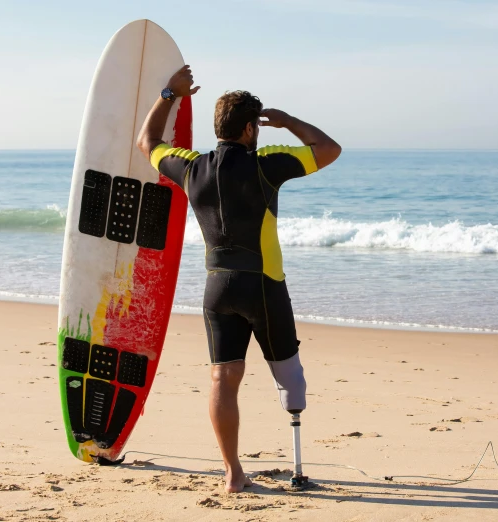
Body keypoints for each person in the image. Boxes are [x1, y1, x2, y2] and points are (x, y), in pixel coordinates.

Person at [136, 65, 341, 493]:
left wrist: (168, 94)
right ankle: (297, 457)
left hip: (217, 288)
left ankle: (233, 473)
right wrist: (288, 122)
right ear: (251, 128)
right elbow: (329, 148)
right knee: (290, 378)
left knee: (222, 379)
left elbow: (147, 142)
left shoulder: (192, 167)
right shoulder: (267, 163)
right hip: (264, 286)